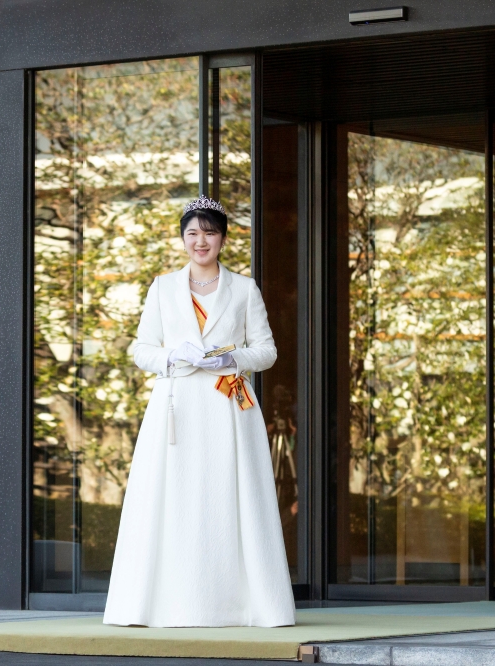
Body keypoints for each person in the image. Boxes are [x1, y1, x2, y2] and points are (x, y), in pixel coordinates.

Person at [102, 195, 296, 628]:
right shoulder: (162, 287)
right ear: (183, 238)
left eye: (209, 232)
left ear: (223, 238)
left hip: (229, 407)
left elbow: (266, 351)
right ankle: (163, 606)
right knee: (173, 498)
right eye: (192, 232)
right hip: (176, 408)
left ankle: (241, 607)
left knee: (229, 498)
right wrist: (175, 356)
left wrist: (231, 359)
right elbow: (141, 349)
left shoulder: (244, 289)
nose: (200, 240)